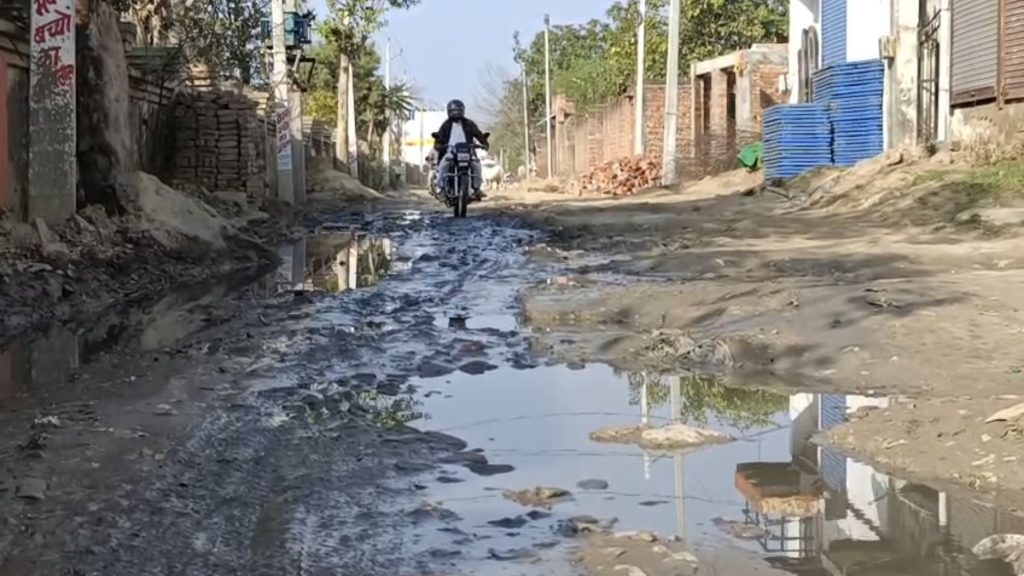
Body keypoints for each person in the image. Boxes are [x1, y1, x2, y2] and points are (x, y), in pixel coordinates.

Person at [432, 99, 489, 200]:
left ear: (463, 111)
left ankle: (477, 189)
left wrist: (484, 143)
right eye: (454, 111)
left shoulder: (469, 124)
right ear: (449, 111)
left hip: (468, 152)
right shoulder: (446, 125)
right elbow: (439, 138)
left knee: (476, 165)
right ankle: (441, 188)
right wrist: (438, 145)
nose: (456, 113)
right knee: (443, 166)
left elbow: (478, 134)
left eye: (458, 111)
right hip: (451, 152)